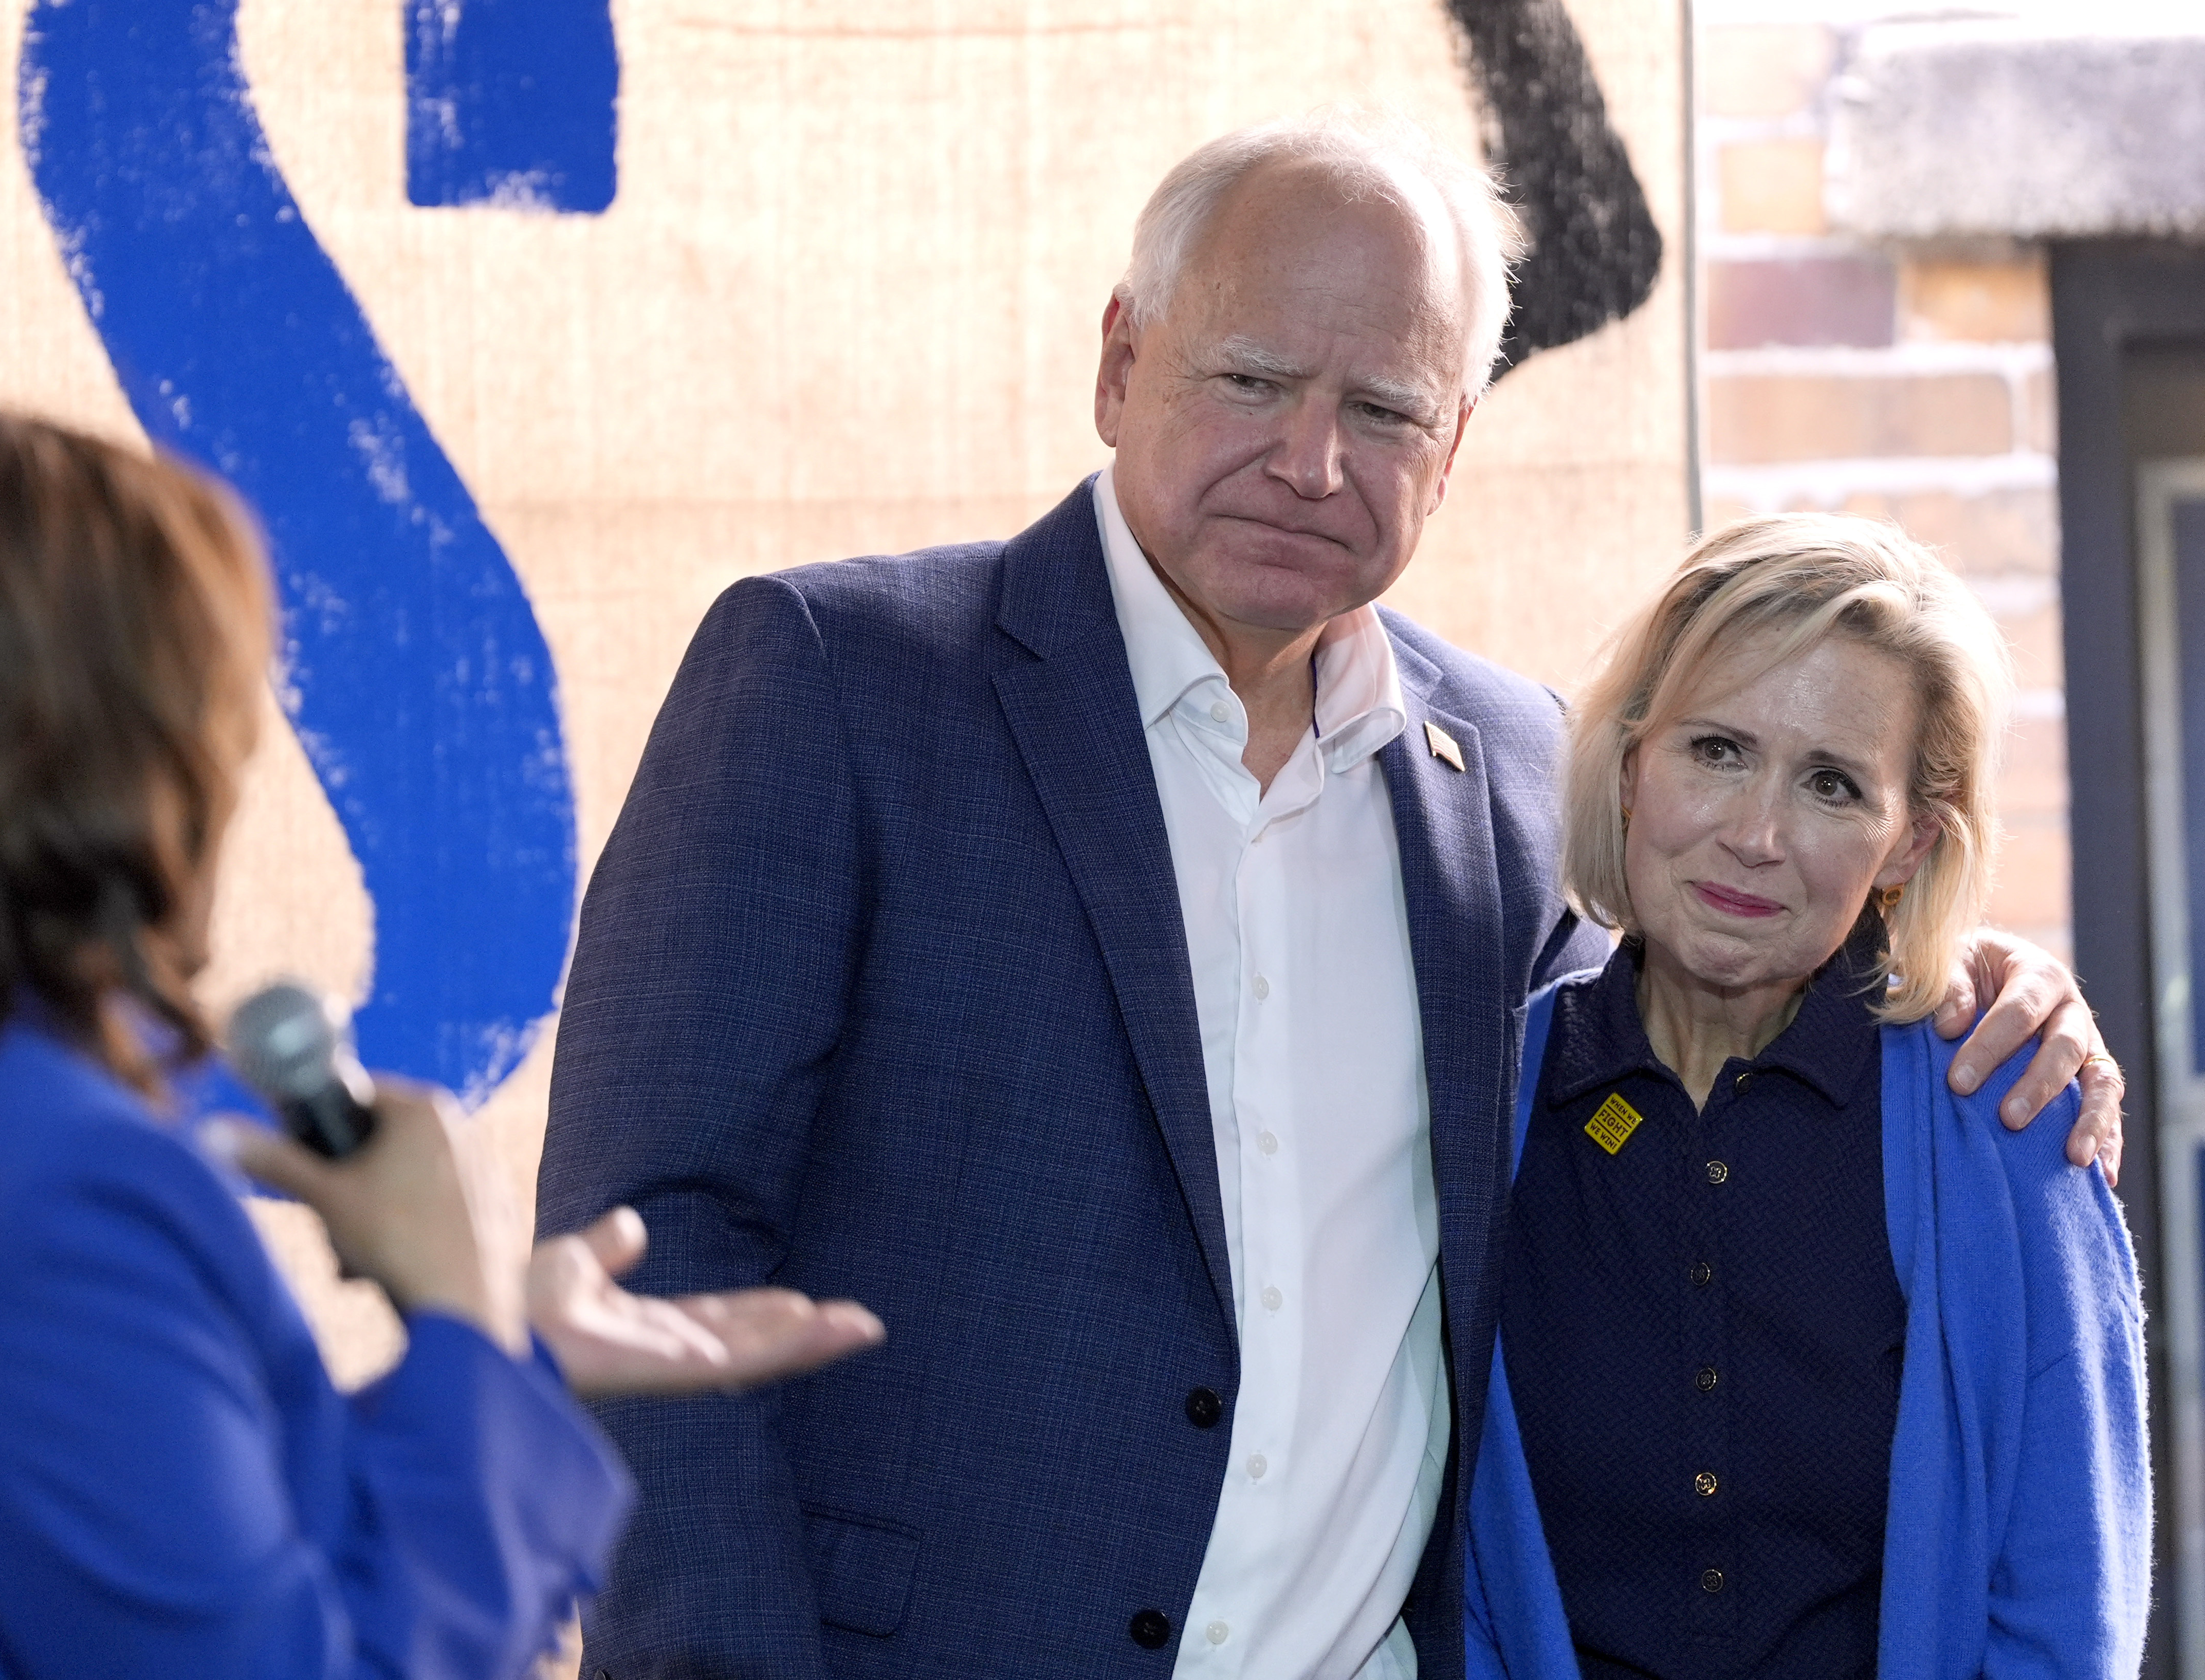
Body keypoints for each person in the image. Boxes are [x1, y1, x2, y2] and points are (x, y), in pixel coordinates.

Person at [535, 109, 2124, 1680]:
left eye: (1383, 408)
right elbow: (646, 1248)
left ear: (1452, 451)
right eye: (1251, 380)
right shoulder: (837, 683)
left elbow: (1715, 962)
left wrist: (1975, 970)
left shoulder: (1504, 778)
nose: (1312, 462)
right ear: (1118, 362)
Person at [0, 412, 881, 1680]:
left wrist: (492, 1362)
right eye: (210, 720)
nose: (235, 767)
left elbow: (116, 1544)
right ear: (94, 766)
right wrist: (457, 1318)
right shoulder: (59, 1195)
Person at [1464, 514, 2147, 1678]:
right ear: (1631, 763)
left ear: (1904, 844)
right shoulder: (1479, 1107)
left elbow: (2064, 1604)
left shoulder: (2007, 1120)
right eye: (1716, 751)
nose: (1755, 836)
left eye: (1830, 784)